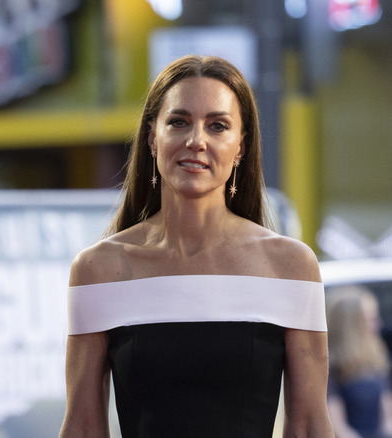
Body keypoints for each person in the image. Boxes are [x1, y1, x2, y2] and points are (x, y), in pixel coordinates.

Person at [58, 55, 333, 437]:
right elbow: (82, 426)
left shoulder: (290, 266)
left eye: (217, 126)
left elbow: (309, 426)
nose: (196, 141)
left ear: (240, 146)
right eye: (179, 122)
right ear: (152, 138)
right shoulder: (99, 269)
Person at [326, 286, 392, 438]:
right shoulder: (332, 367)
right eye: (370, 319)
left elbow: (387, 419)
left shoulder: (377, 359)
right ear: (350, 326)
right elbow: (338, 428)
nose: (378, 325)